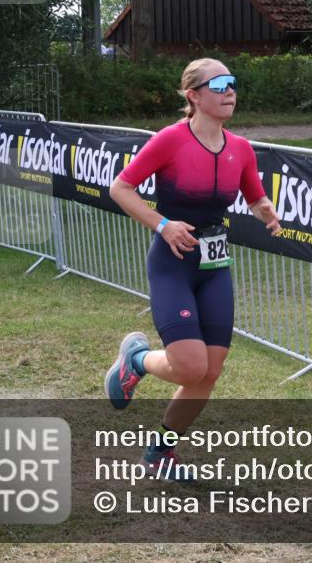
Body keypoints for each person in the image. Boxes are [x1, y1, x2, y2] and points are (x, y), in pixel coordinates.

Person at [104, 57, 282, 480]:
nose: (229, 91)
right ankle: (137, 360)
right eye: (218, 85)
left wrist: (266, 210)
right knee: (189, 367)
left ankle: (160, 453)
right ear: (194, 96)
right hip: (173, 263)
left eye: (232, 83)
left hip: (214, 264)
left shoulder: (241, 148)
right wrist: (162, 224)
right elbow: (120, 187)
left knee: (210, 371)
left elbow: (254, 196)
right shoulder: (170, 140)